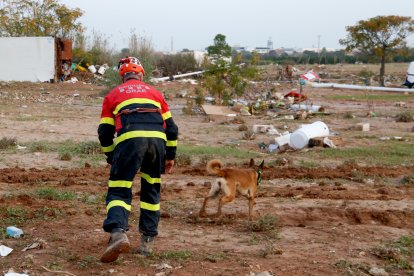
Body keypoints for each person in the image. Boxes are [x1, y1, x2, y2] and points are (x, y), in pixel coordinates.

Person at [98, 57, 178, 263]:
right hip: (157, 143)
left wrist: (111, 156)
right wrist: (170, 156)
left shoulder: (113, 94)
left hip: (130, 141)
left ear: (122, 76)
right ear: (142, 74)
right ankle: (147, 241)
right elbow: (172, 128)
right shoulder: (156, 93)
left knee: (119, 189)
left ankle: (118, 233)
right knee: (151, 188)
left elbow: (104, 131)